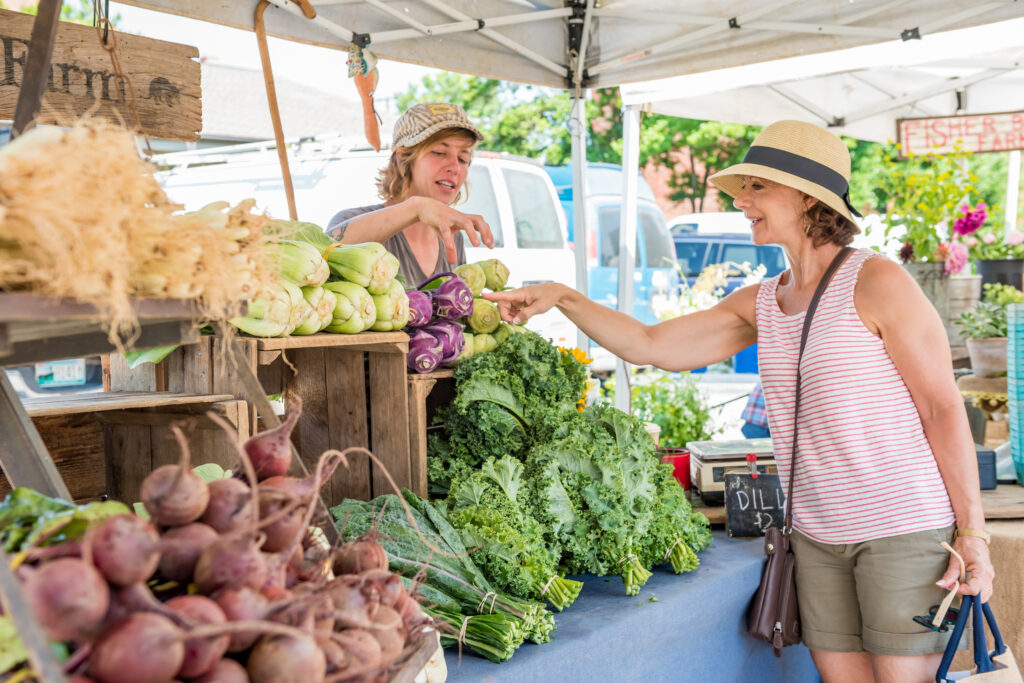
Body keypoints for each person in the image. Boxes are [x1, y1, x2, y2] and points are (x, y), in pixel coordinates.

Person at [485, 120, 994, 683]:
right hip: (816, 537)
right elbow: (651, 345)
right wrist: (562, 297)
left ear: (806, 197)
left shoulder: (878, 282)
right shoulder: (763, 303)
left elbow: (942, 409)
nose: (740, 200)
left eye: (757, 188)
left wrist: (973, 534)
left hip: (901, 527)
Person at [326, 102, 494, 285]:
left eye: (463, 159)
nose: (455, 167)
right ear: (403, 159)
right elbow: (323, 251)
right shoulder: (354, 220)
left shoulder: (453, 237)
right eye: (439, 152)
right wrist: (416, 208)